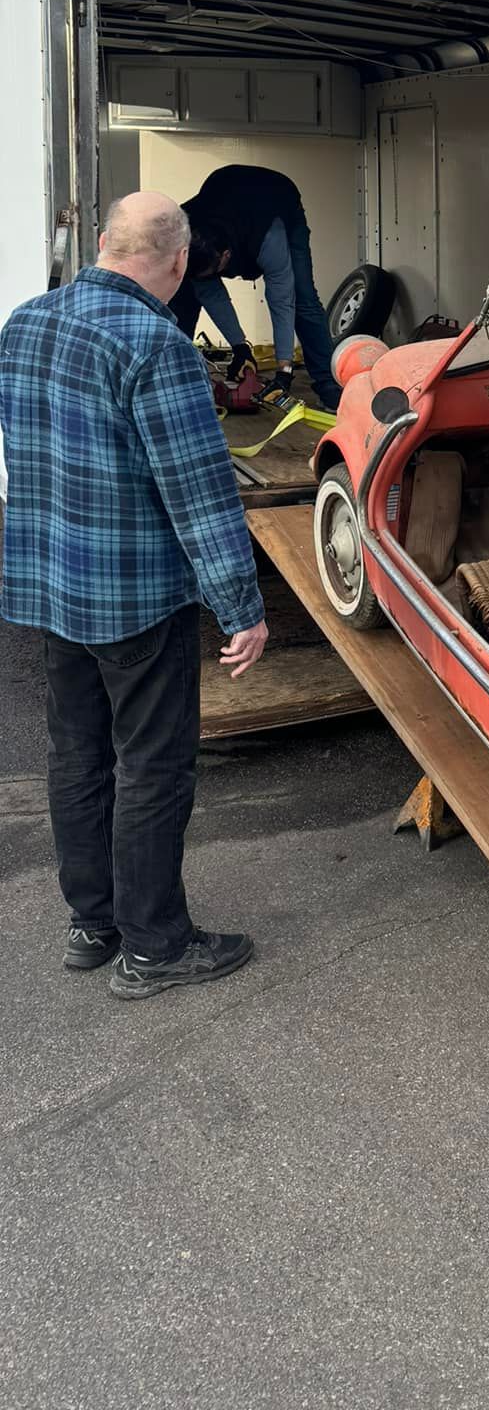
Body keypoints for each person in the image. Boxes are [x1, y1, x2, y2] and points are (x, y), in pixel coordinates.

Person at [0, 192, 268, 999]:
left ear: (104, 241)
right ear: (180, 260)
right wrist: (242, 608)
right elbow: (200, 495)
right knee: (152, 766)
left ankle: (94, 924)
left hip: (53, 586)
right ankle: (155, 948)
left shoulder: (25, 322)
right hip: (134, 598)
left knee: (76, 755)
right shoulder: (158, 347)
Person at [172, 164, 341, 411]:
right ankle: (177, 379)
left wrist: (284, 369)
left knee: (302, 297)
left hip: (278, 200)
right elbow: (211, 294)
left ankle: (329, 386)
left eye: (214, 272)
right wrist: (240, 347)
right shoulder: (185, 235)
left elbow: (282, 299)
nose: (211, 278)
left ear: (226, 255)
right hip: (225, 195)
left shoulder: (268, 239)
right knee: (184, 292)